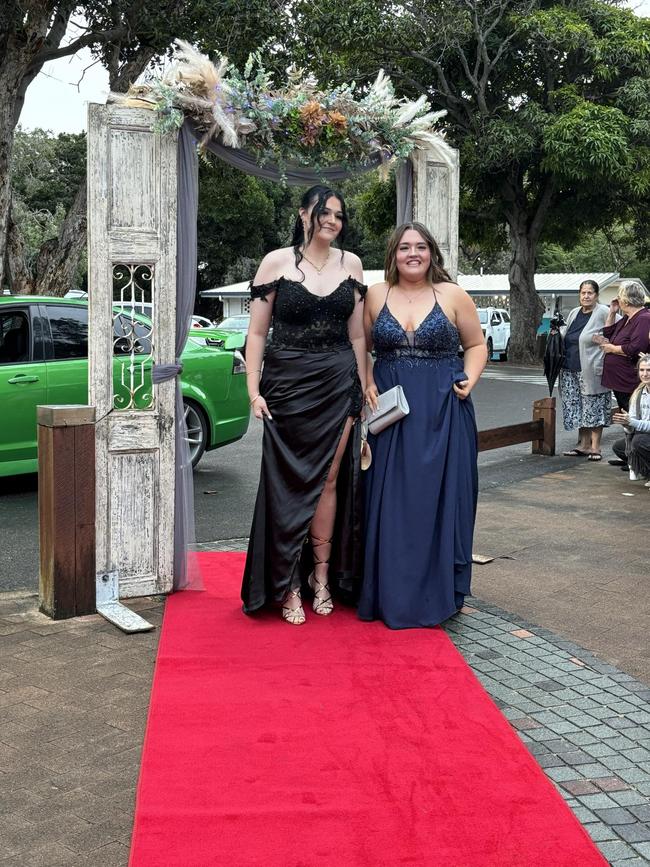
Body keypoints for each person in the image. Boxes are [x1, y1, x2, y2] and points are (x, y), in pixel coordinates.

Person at [241, 185, 366, 625]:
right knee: (287, 483)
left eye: (339, 215)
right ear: (303, 213)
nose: (331, 220)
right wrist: (253, 391)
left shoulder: (351, 264)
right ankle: (287, 583)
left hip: (337, 384)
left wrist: (363, 388)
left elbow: (356, 336)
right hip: (286, 386)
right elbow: (256, 334)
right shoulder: (276, 262)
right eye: (323, 212)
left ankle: (321, 578)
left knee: (330, 480)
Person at [358, 222, 487, 629]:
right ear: (393, 254)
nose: (412, 254)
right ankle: (389, 589)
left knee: (441, 498)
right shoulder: (376, 294)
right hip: (392, 413)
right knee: (392, 500)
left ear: (432, 252)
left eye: (420, 247)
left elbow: (477, 344)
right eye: (404, 247)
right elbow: (361, 344)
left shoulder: (452, 295)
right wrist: (366, 382)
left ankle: (442, 590)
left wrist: (470, 378)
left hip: (443, 410)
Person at [559, 280, 611, 462]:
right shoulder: (574, 312)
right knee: (578, 406)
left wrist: (602, 339)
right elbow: (567, 334)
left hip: (591, 368)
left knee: (594, 406)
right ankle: (583, 444)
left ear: (596, 295)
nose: (586, 296)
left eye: (590, 293)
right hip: (570, 367)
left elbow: (617, 331)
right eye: (583, 293)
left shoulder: (603, 311)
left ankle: (595, 447)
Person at [599, 280, 650, 411]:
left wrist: (613, 349)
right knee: (628, 414)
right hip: (618, 379)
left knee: (635, 413)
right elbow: (608, 333)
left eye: (619, 296)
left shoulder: (643, 318)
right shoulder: (628, 317)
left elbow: (637, 348)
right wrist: (612, 312)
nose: (617, 299)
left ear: (626, 300)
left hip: (628, 379)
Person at [611, 354, 650, 485]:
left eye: (648, 370)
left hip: (645, 435)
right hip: (643, 434)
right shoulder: (639, 392)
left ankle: (646, 471)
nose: (645, 374)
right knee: (619, 447)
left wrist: (632, 422)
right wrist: (626, 423)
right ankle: (642, 468)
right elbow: (632, 423)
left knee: (638, 442)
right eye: (642, 370)